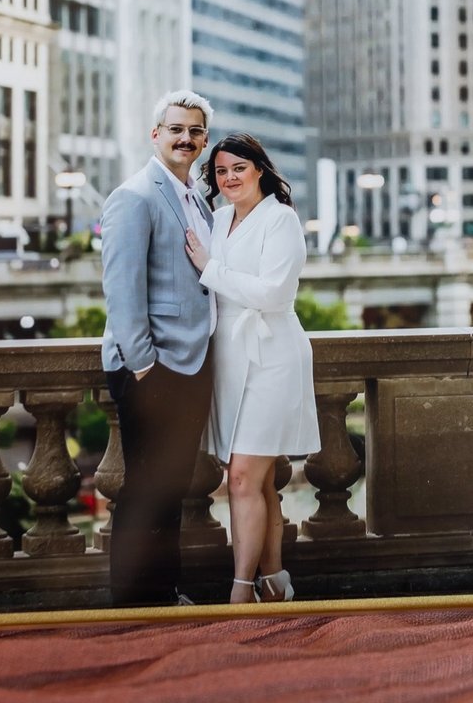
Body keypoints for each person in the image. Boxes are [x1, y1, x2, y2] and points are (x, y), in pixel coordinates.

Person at [184, 133, 321, 604]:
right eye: (221, 171)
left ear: (259, 169)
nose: (229, 178)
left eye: (238, 168)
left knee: (241, 477)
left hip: (272, 358)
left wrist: (209, 268)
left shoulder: (281, 220)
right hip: (229, 358)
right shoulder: (218, 220)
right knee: (257, 481)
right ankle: (275, 580)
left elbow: (274, 294)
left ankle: (240, 589)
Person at [98, 90, 219, 607]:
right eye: (175, 129)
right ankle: (130, 600)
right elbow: (121, 293)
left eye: (195, 131)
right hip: (154, 369)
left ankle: (161, 592)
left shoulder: (197, 198)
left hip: (190, 365)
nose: (185, 138)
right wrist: (146, 367)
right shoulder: (135, 196)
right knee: (145, 489)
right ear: (156, 134)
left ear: (204, 140)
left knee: (169, 489)